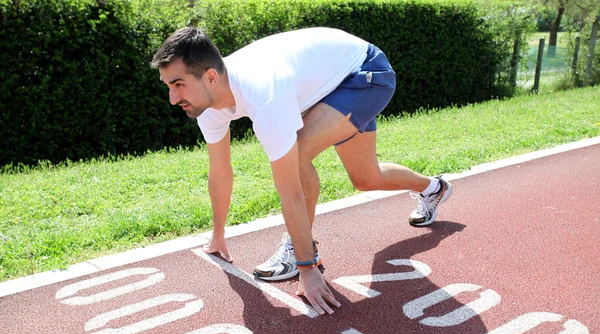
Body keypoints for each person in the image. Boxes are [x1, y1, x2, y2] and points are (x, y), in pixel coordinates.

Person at [152, 26, 452, 316]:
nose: (173, 98)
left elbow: (291, 190)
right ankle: (433, 188)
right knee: (366, 178)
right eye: (169, 86)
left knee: (296, 157)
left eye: (179, 85)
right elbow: (220, 173)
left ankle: (298, 253)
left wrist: (306, 267)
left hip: (364, 73)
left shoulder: (265, 95)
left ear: (210, 77)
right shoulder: (208, 103)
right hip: (325, 83)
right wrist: (218, 235)